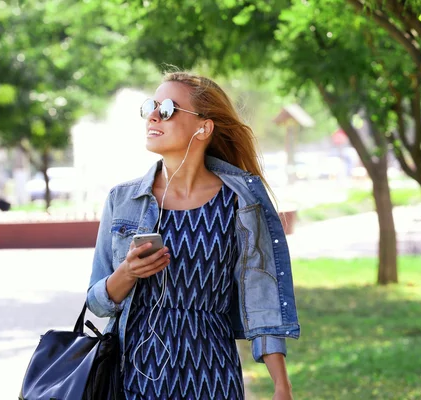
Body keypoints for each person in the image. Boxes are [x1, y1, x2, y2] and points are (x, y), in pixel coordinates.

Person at [87, 71, 300, 400]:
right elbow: (97, 301)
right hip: (135, 376)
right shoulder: (123, 200)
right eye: (151, 106)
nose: (154, 116)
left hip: (212, 374)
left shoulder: (239, 202)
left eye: (168, 109)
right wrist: (127, 273)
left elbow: (262, 295)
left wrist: (281, 385)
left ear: (204, 127)